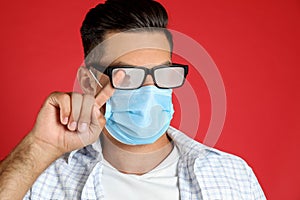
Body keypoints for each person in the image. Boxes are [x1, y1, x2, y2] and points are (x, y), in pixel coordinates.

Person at [0, 0, 266, 199]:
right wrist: (39, 147)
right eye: (126, 75)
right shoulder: (42, 177)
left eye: (163, 72)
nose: (150, 89)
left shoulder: (232, 176)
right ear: (87, 81)